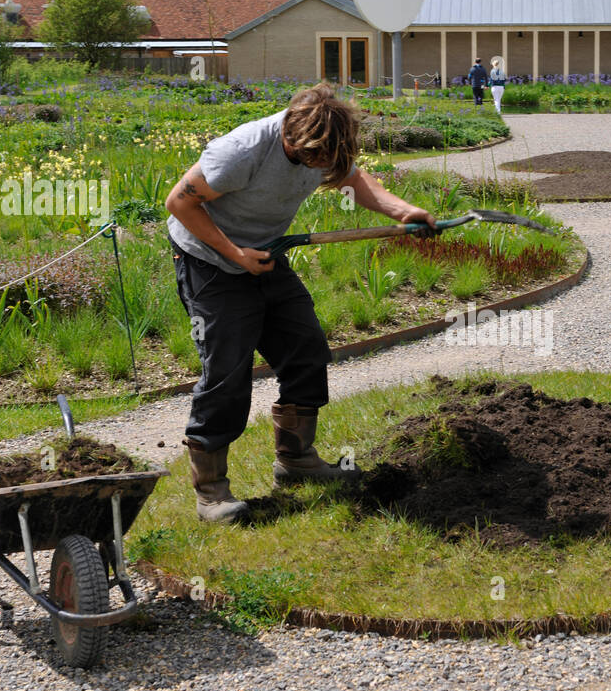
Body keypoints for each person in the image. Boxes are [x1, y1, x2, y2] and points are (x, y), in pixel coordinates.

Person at [164, 83, 436, 523]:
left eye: (330, 159)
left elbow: (353, 177)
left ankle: (295, 460)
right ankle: (211, 492)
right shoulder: (241, 150)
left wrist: (401, 210)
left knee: (306, 351)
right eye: (316, 159)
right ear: (291, 136)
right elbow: (178, 202)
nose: (323, 167)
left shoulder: (326, 145)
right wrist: (235, 254)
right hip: (209, 260)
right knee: (227, 371)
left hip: (268, 254)